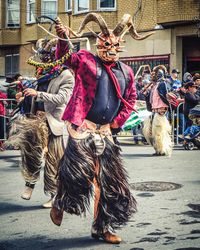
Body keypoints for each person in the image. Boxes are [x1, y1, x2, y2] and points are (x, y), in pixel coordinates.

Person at [49, 13, 153, 244]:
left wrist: (116, 122)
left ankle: (102, 227)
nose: (111, 48)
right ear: (98, 44)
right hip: (83, 127)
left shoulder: (125, 71)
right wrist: (63, 39)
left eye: (115, 44)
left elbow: (131, 97)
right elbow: (66, 58)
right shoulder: (86, 60)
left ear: (121, 46)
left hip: (105, 131)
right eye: (106, 44)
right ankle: (60, 201)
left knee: (109, 182)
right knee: (78, 174)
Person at [7, 37, 74, 208]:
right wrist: (24, 96)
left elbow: (62, 98)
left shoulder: (66, 75)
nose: (44, 60)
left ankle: (54, 195)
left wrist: (38, 95)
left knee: (54, 161)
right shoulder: (41, 74)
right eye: (42, 56)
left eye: (48, 56)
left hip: (54, 123)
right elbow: (33, 95)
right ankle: (29, 183)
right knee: (30, 153)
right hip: (36, 120)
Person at [143, 65, 173, 156]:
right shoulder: (155, 85)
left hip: (160, 111)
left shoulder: (163, 84)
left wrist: (165, 108)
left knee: (159, 133)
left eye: (155, 74)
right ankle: (157, 149)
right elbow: (152, 98)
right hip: (154, 111)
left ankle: (162, 150)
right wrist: (147, 93)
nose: (152, 76)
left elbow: (166, 97)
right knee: (150, 132)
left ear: (159, 74)